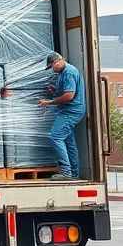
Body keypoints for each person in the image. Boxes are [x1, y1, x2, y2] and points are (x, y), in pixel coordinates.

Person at [38, 52, 86, 180]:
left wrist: (49, 102)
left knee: (55, 137)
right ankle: (74, 174)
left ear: (58, 61)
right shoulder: (62, 73)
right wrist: (54, 90)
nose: (52, 70)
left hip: (71, 112)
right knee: (69, 143)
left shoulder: (69, 72)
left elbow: (69, 96)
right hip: (69, 111)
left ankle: (66, 172)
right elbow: (65, 91)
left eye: (52, 66)